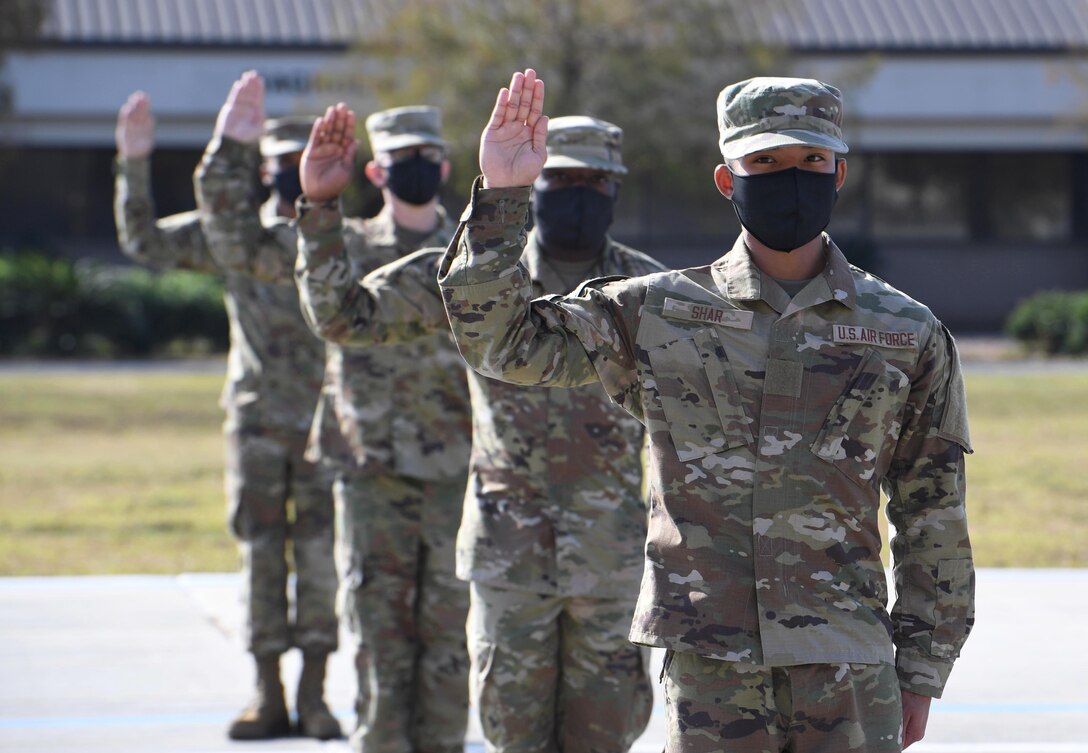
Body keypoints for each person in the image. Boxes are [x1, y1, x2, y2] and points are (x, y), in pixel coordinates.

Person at [437, 69, 976, 753]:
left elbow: (932, 512)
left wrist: (924, 663)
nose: (791, 176)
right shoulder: (657, 312)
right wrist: (505, 199)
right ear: (728, 179)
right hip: (711, 672)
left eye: (811, 160)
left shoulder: (906, 332)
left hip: (847, 666)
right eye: (766, 161)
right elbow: (502, 343)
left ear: (839, 172)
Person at [295, 103, 665, 753]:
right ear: (533, 184)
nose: (577, 198)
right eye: (560, 181)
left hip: (608, 561)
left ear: (616, 189)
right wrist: (321, 208)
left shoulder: (646, 289)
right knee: (511, 733)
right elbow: (344, 317)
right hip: (509, 559)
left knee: (605, 737)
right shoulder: (477, 278)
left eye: (593, 184)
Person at [195, 92, 473, 753]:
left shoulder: (471, 252)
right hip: (368, 464)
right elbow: (235, 238)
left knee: (448, 630)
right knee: (377, 627)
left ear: (445, 164)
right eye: (399, 157)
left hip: (454, 467)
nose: (413, 167)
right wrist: (232, 151)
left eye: (425, 156)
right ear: (374, 170)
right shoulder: (337, 244)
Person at [113, 76, 340, 741]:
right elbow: (144, 242)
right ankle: (267, 695)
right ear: (265, 170)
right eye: (281, 162)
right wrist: (132, 163)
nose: (290, 175)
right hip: (258, 422)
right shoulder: (232, 237)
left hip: (330, 425)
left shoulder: (340, 239)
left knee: (323, 558)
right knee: (262, 556)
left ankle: (315, 696)